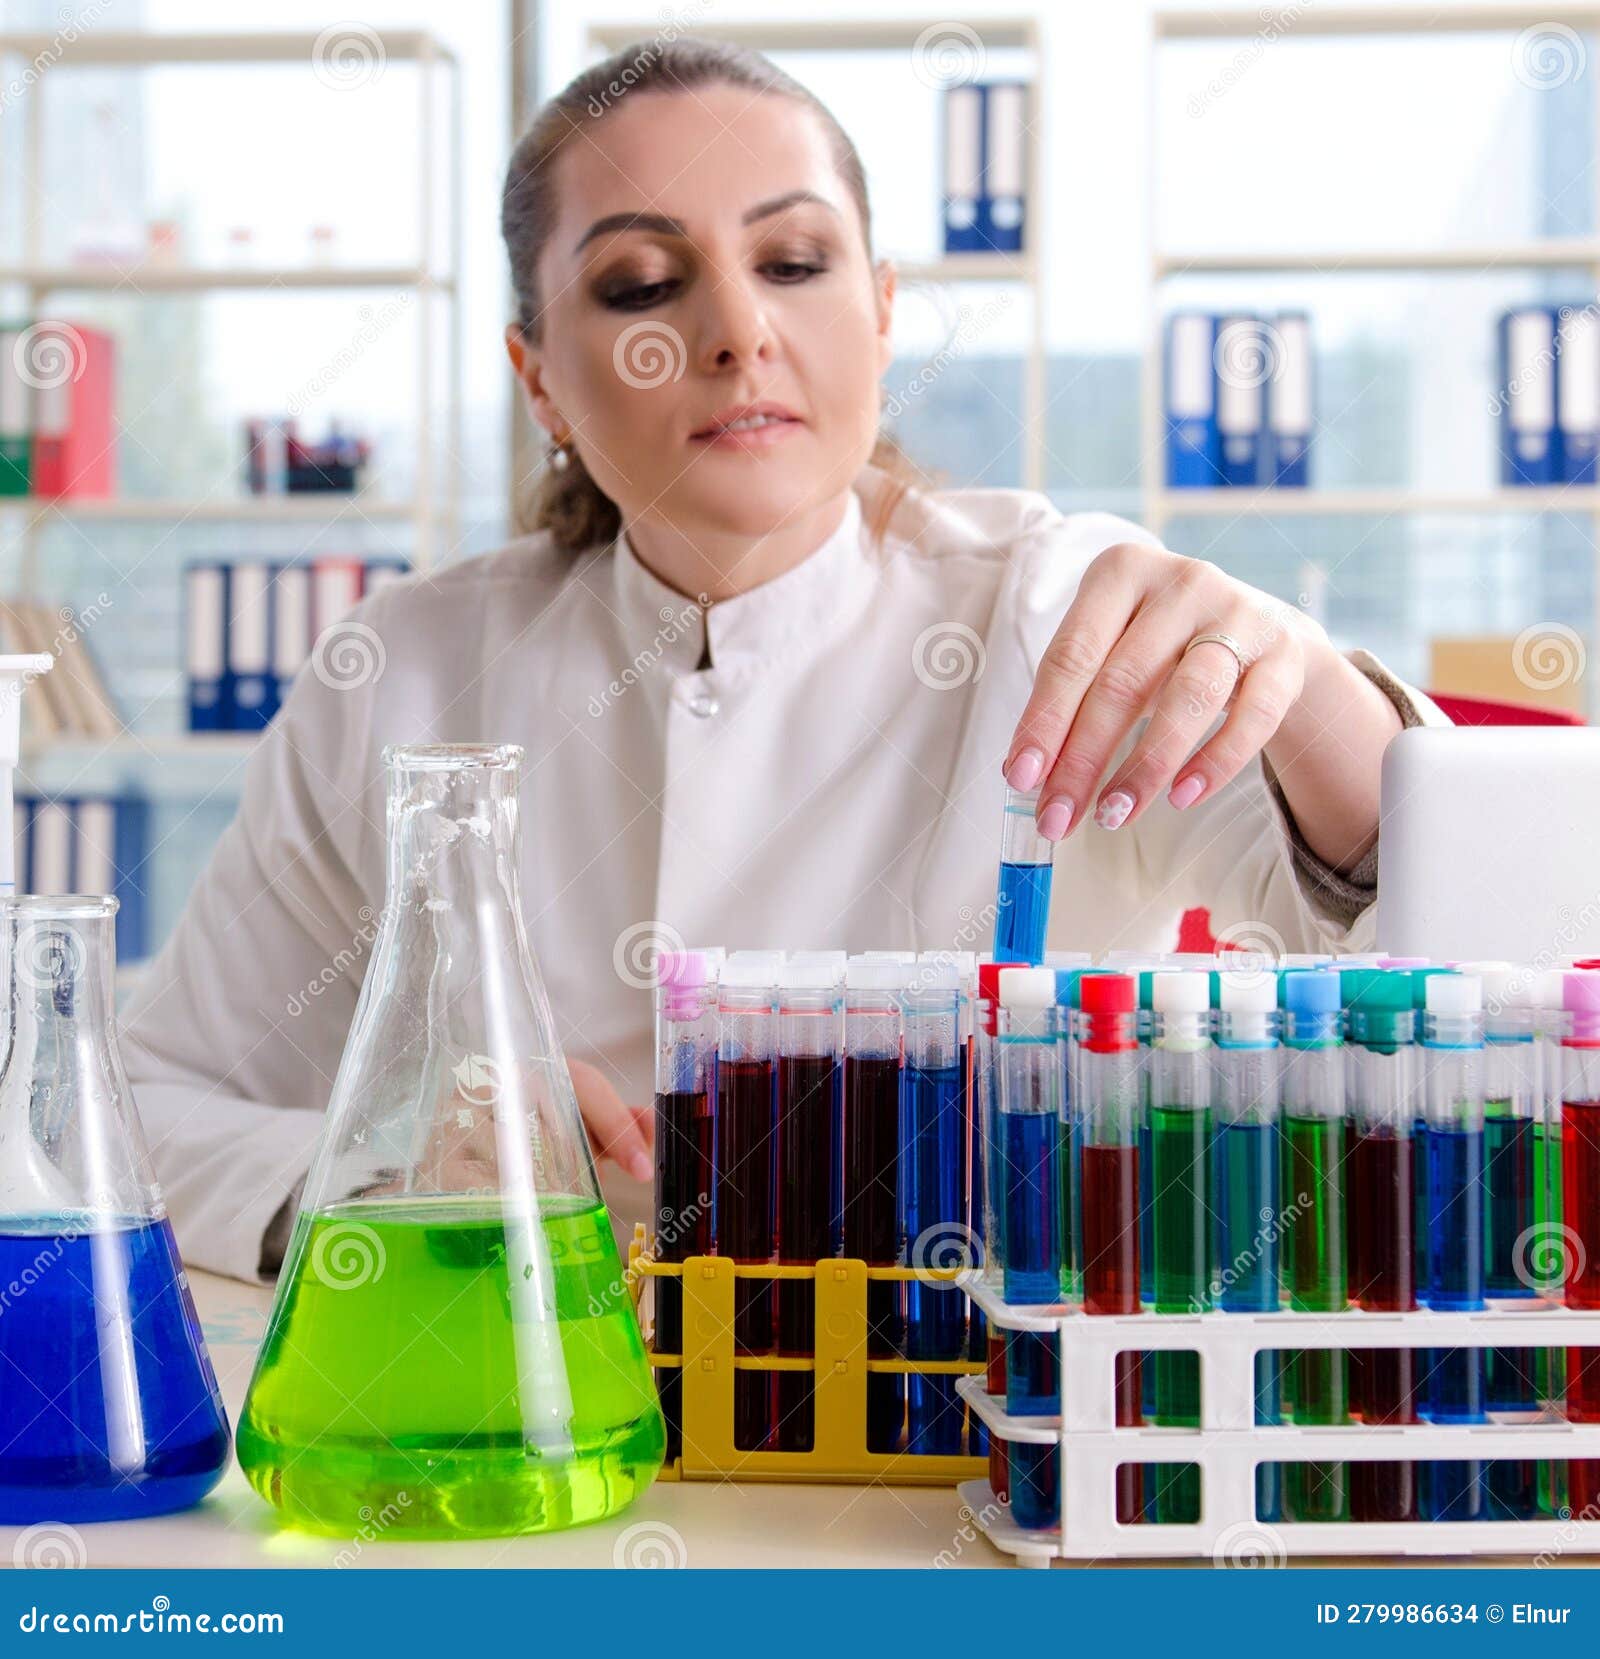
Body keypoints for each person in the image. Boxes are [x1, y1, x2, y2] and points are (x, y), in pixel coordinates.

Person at [121, 37, 1444, 1283]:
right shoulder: (404, 670)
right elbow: (142, 1103)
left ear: (879, 314)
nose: (737, 331)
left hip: (977, 1422)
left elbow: (1470, 971)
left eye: (796, 261)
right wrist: (387, 1163)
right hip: (554, 1404)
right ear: (540, 383)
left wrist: (1310, 680)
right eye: (643, 285)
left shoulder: (1068, 613)